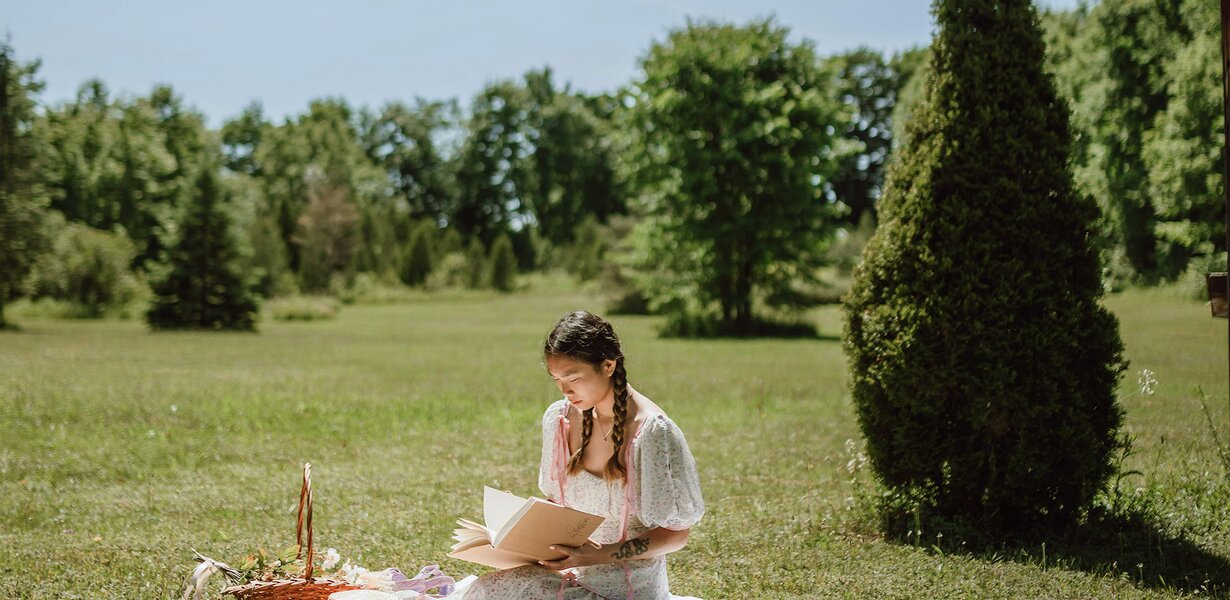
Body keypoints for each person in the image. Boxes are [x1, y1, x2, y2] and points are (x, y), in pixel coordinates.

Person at [460, 311, 705, 600]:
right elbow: (560, 505)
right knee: (487, 591)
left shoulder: (651, 434)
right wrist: (524, 522)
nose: (565, 390)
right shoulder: (560, 418)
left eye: (573, 378)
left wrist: (592, 556)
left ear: (608, 365)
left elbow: (675, 535)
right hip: (566, 575)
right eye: (556, 379)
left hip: (628, 590)